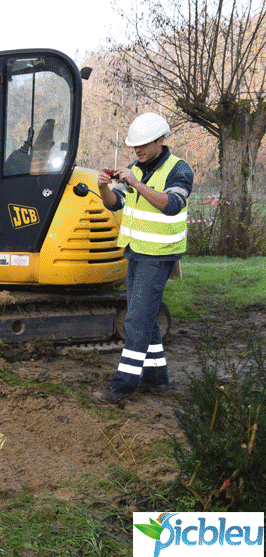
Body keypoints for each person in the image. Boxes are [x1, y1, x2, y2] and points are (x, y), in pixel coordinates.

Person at [92, 112, 194, 404]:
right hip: (136, 252)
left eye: (144, 144)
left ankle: (122, 386)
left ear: (161, 140)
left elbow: (172, 205)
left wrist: (136, 183)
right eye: (134, 145)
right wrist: (103, 188)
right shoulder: (136, 168)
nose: (138, 150)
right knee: (146, 319)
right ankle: (156, 378)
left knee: (136, 321)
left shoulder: (179, 169)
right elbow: (117, 204)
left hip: (159, 256)